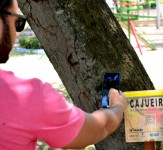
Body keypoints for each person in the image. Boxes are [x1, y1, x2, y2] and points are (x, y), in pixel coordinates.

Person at [0, 0, 127, 149]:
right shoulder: (28, 98)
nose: (17, 33)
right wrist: (117, 107)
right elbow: (95, 129)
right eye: (18, 23)